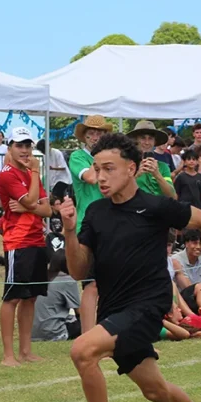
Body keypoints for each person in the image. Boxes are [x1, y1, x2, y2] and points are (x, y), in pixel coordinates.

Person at [61, 132, 201, 402]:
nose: (101, 177)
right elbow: (78, 270)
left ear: (132, 169)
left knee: (82, 351)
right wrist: (69, 231)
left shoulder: (154, 206)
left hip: (147, 307)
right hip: (114, 309)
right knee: (155, 390)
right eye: (97, 169)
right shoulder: (96, 212)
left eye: (109, 168)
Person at [0, 127, 52, 366]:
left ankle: (26, 351)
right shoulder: (7, 174)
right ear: (10, 148)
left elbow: (47, 210)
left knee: (30, 298)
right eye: (19, 145)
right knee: (12, 297)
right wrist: (32, 201)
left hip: (37, 240)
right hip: (18, 242)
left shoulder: (30, 173)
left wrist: (31, 206)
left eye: (28, 145)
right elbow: (31, 200)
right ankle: (8, 355)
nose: (25, 150)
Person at [68, 115, 114, 333]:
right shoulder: (78, 156)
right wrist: (105, 162)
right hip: (88, 226)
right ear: (84, 137)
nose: (95, 137)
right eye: (91, 133)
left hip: (112, 224)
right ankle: (88, 335)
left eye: (99, 134)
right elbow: (91, 178)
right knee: (91, 284)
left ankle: (107, 332)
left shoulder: (109, 158)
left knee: (111, 283)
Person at [32, 250, 82, 342]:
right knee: (88, 322)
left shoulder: (42, 277)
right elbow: (79, 311)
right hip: (54, 332)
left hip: (32, 334)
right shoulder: (68, 280)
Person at [128, 120, 175, 198]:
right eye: (143, 138)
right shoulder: (127, 165)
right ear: (135, 140)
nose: (147, 142)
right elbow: (119, 192)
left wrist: (157, 174)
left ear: (154, 142)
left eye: (150, 138)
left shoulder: (163, 166)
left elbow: (173, 196)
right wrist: (136, 175)